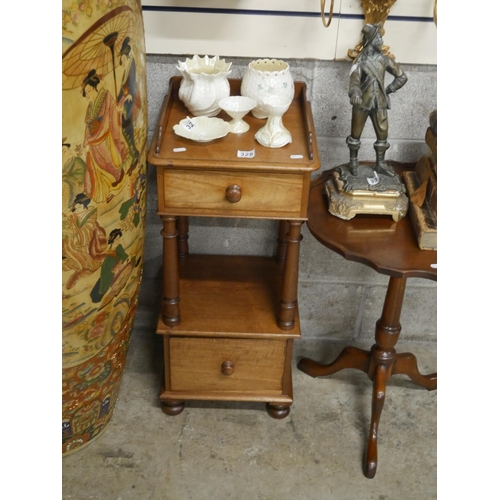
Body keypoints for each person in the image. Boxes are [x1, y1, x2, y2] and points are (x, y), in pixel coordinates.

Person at [347, 22, 408, 177]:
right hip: (361, 103)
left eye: (381, 38)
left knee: (382, 135)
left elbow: (402, 76)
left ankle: (380, 164)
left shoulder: (385, 60)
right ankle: (353, 162)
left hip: (379, 103)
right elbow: (354, 80)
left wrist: (388, 90)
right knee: (355, 135)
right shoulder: (360, 61)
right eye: (378, 38)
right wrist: (355, 93)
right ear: (371, 41)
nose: (381, 41)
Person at [82, 69, 129, 203]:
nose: (87, 95)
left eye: (88, 91)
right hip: (93, 141)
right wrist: (87, 140)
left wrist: (118, 109)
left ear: (93, 88)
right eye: (86, 93)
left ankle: (116, 189)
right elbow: (87, 125)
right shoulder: (91, 106)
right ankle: (102, 194)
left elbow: (112, 113)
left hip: (104, 138)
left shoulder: (106, 97)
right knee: (96, 167)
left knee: (109, 164)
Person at [117, 37, 140, 173]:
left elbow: (131, 84)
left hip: (130, 101)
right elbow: (123, 87)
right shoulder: (126, 67)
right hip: (124, 101)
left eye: (123, 59)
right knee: (123, 128)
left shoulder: (131, 64)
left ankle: (133, 154)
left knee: (127, 127)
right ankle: (131, 154)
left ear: (127, 56)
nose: (122, 62)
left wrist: (129, 93)